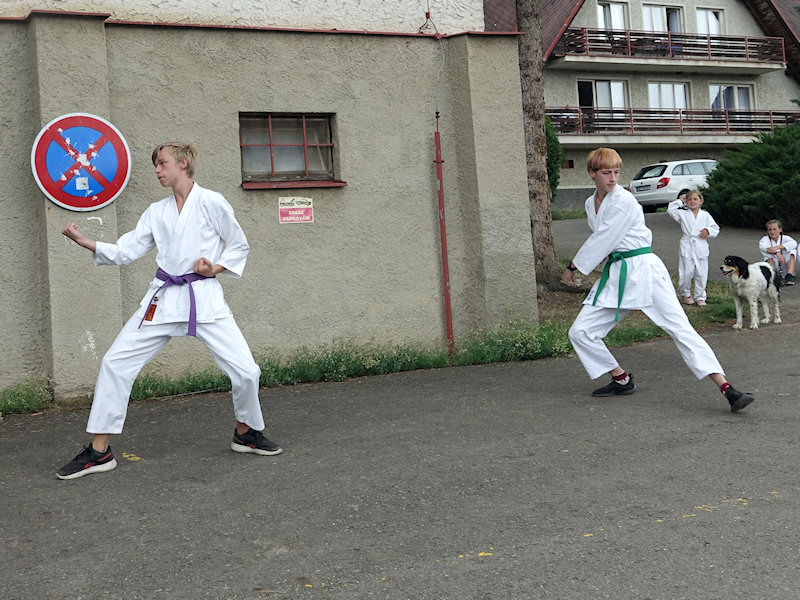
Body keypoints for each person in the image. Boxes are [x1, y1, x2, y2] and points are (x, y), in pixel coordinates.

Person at [56, 142, 281, 480]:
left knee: (247, 371)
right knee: (115, 363)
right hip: (161, 301)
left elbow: (238, 244)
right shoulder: (156, 211)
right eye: (155, 165)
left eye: (162, 163)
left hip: (203, 299)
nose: (157, 170)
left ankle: (245, 433)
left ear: (183, 163)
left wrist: (214, 269)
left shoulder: (212, 202)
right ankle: (99, 452)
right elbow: (127, 250)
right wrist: (87, 242)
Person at [561, 147, 754, 413]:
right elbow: (603, 240)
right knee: (580, 332)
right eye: (606, 173)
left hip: (645, 270)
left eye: (617, 172)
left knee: (680, 328)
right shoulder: (589, 203)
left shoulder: (624, 200)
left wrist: (573, 266)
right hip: (618, 273)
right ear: (592, 173)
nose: (613, 178)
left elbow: (604, 238)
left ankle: (727, 388)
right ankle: (621, 379)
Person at [667, 190, 720, 307]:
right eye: (689, 199)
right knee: (687, 272)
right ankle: (685, 293)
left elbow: (715, 228)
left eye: (695, 199)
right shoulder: (682, 214)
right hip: (687, 245)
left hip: (700, 245)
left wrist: (708, 231)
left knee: (701, 273)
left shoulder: (705, 215)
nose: (692, 202)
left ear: (701, 201)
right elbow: (671, 210)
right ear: (686, 201)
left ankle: (700, 296)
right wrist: (680, 201)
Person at [759, 219, 796, 285]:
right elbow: (765, 248)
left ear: (780, 229)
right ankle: (776, 276)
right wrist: (777, 253)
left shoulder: (786, 238)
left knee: (792, 251)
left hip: (784, 263)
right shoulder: (764, 240)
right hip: (772, 264)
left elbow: (794, 243)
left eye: (774, 229)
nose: (772, 232)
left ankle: (789, 275)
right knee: (767, 256)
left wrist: (777, 247)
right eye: (770, 230)